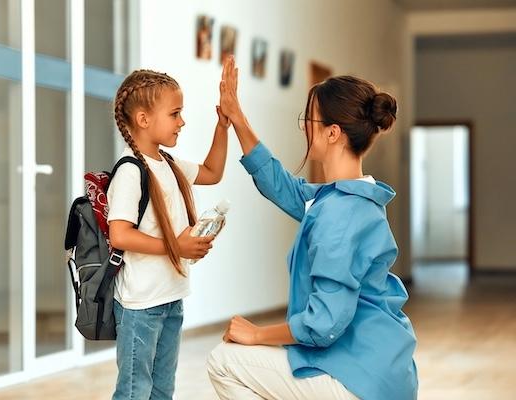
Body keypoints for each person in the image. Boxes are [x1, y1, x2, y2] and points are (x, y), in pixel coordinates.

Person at [207, 56, 418, 400]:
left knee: (223, 360)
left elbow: (324, 323)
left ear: (333, 132)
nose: (304, 126)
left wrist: (257, 334)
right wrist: (237, 117)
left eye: (310, 119)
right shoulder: (345, 198)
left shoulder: (340, 213)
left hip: (358, 380)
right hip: (382, 373)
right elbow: (284, 187)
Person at [107, 69, 229, 399]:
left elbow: (212, 172)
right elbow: (119, 235)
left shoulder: (169, 164)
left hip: (171, 299)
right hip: (140, 305)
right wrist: (177, 247)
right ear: (144, 119)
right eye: (175, 113)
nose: (182, 121)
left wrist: (223, 125)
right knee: (134, 391)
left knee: (162, 390)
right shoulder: (131, 171)